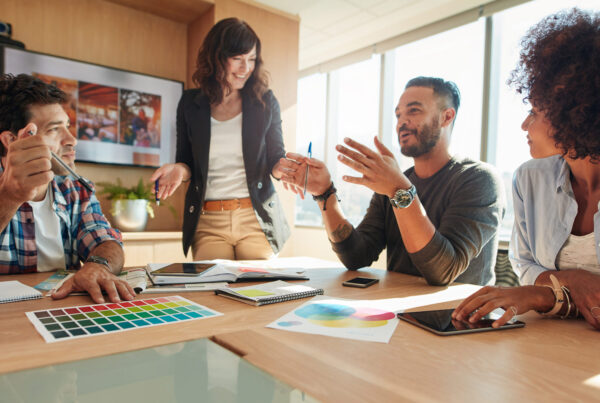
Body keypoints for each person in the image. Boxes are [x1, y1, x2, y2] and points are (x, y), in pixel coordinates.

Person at [453, 8, 600, 329]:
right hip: (546, 341)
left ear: (575, 109)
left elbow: (540, 287)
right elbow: (525, 264)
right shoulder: (530, 178)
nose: (524, 124)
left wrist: (545, 295)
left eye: (534, 111)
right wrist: (573, 281)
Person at [282, 77, 505, 286]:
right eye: (398, 115)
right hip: (399, 312)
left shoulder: (480, 180)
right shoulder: (396, 182)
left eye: (414, 111)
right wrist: (325, 193)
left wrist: (399, 190)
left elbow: (443, 271)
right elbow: (357, 255)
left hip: (458, 321)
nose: (401, 123)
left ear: (446, 117)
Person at [151, 18, 296, 260]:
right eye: (238, 59)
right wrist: (178, 169)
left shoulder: (265, 101)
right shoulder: (190, 103)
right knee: (211, 292)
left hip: (256, 218)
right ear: (216, 57)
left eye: (251, 59)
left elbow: (275, 158)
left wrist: (285, 168)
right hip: (208, 222)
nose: (245, 68)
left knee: (259, 291)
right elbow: (185, 161)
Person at [0, 73, 135, 304]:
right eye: (54, 130)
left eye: (68, 126)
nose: (72, 139)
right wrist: (9, 198)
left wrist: (97, 265)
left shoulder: (76, 189)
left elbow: (106, 242)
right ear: (12, 140)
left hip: (60, 310)